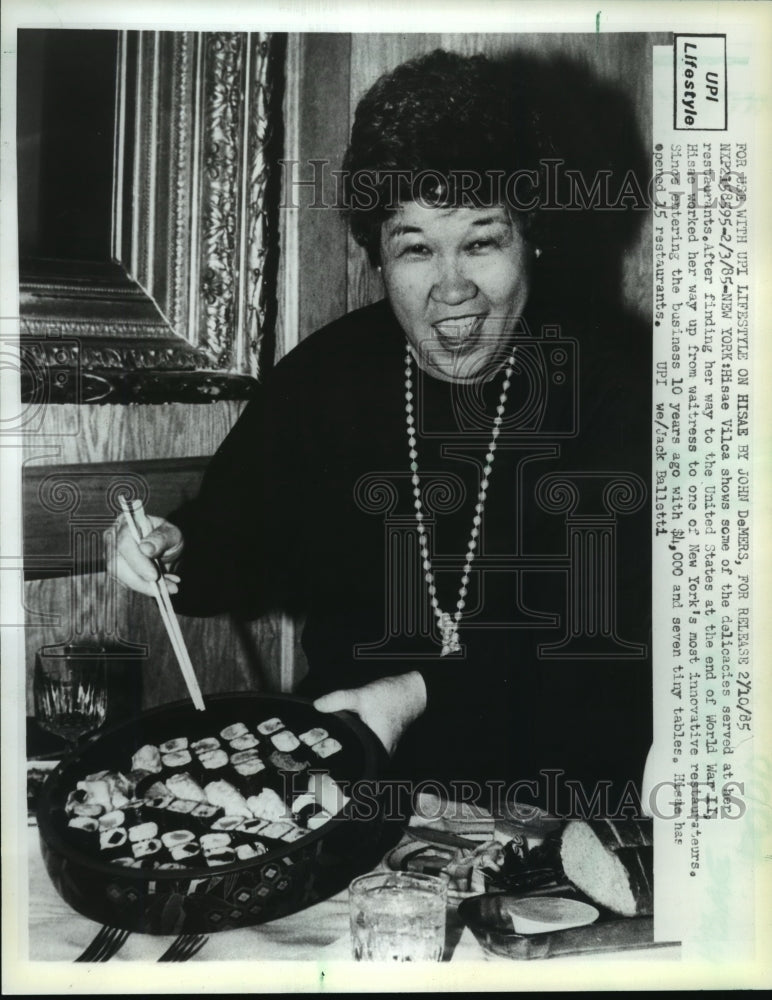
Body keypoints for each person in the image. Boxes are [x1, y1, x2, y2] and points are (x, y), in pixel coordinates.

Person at [109, 49, 651, 818]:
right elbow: (238, 542)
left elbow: (615, 649)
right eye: (417, 247)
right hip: (350, 791)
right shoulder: (323, 378)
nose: (452, 286)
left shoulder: (619, 384)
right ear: (378, 256)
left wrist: (413, 692)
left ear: (531, 235)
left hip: (568, 806)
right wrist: (171, 548)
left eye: (482, 240)